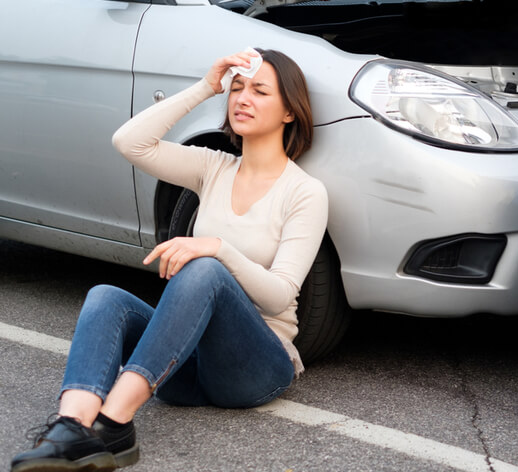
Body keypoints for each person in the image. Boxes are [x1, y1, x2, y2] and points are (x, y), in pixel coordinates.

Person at [10, 48, 329, 472]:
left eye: (259, 90)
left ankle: (115, 421)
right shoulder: (213, 167)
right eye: (236, 88)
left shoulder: (305, 192)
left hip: (255, 367)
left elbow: (279, 297)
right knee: (106, 297)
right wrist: (204, 87)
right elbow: (129, 142)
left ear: (290, 111)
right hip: (186, 368)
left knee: (207, 268)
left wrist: (217, 247)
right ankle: (72, 427)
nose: (242, 98)